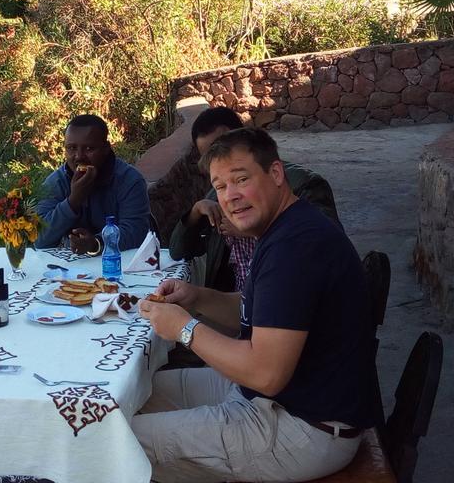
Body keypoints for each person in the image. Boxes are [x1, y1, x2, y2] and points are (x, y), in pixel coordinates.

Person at [134, 127, 378, 482]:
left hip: (305, 429)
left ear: (275, 174)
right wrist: (196, 298)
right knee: (126, 401)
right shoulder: (285, 228)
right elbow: (260, 313)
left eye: (241, 179)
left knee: (120, 442)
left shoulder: (296, 248)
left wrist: (183, 328)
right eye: (220, 187)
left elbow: (266, 373)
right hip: (276, 400)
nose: (230, 196)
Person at [168, 107, 339, 292]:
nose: (218, 160)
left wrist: (252, 231)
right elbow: (178, 252)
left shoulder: (303, 185)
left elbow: (325, 251)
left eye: (242, 180)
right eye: (210, 156)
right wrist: (195, 214)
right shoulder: (217, 198)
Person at [33, 114, 151, 253]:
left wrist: (96, 244)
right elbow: (39, 239)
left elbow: (136, 233)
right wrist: (73, 202)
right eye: (72, 148)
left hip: (120, 265)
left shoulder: (129, 180)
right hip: (72, 269)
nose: (79, 156)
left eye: (89, 149)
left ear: (106, 148)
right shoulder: (56, 182)